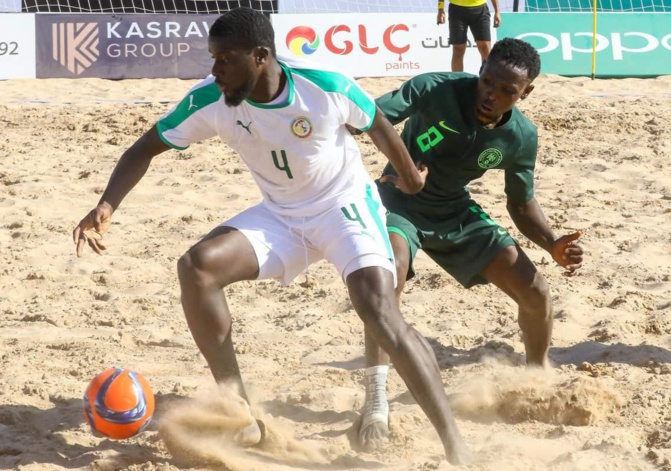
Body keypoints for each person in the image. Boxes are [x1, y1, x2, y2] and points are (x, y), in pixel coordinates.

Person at [72, 7, 472, 466]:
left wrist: (411, 179)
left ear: (261, 56)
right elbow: (146, 146)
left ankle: (455, 447)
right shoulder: (209, 100)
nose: (215, 69)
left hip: (343, 206)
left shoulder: (326, 86)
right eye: (212, 58)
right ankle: (239, 410)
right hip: (281, 216)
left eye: (225, 59)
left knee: (377, 306)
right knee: (197, 267)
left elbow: (377, 124)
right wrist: (105, 205)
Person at [356, 38, 584, 448]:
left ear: (525, 92)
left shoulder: (521, 136)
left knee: (536, 292)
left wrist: (551, 242)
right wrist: (406, 170)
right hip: (398, 201)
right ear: (480, 72)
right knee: (387, 282)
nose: (491, 94)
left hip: (456, 212)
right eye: (486, 81)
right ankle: (375, 402)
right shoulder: (435, 88)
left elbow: (521, 201)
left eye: (506, 91)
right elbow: (369, 117)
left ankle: (534, 376)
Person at [437, 0, 501, 72]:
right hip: (456, 11)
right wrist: (440, 9)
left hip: (480, 11)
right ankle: (457, 80)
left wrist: (497, 11)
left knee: (485, 49)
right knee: (458, 50)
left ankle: (488, 81)